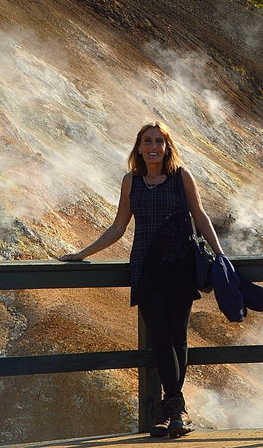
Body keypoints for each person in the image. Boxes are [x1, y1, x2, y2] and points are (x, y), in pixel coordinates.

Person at [59, 121, 225, 438]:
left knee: (177, 336)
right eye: (147, 141)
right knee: (160, 339)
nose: (153, 146)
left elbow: (200, 215)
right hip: (146, 269)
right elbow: (119, 226)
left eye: (159, 141)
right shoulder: (131, 182)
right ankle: (176, 410)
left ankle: (172, 411)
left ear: (167, 147)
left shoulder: (181, 178)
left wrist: (220, 253)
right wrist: (82, 252)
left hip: (179, 266)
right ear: (138, 147)